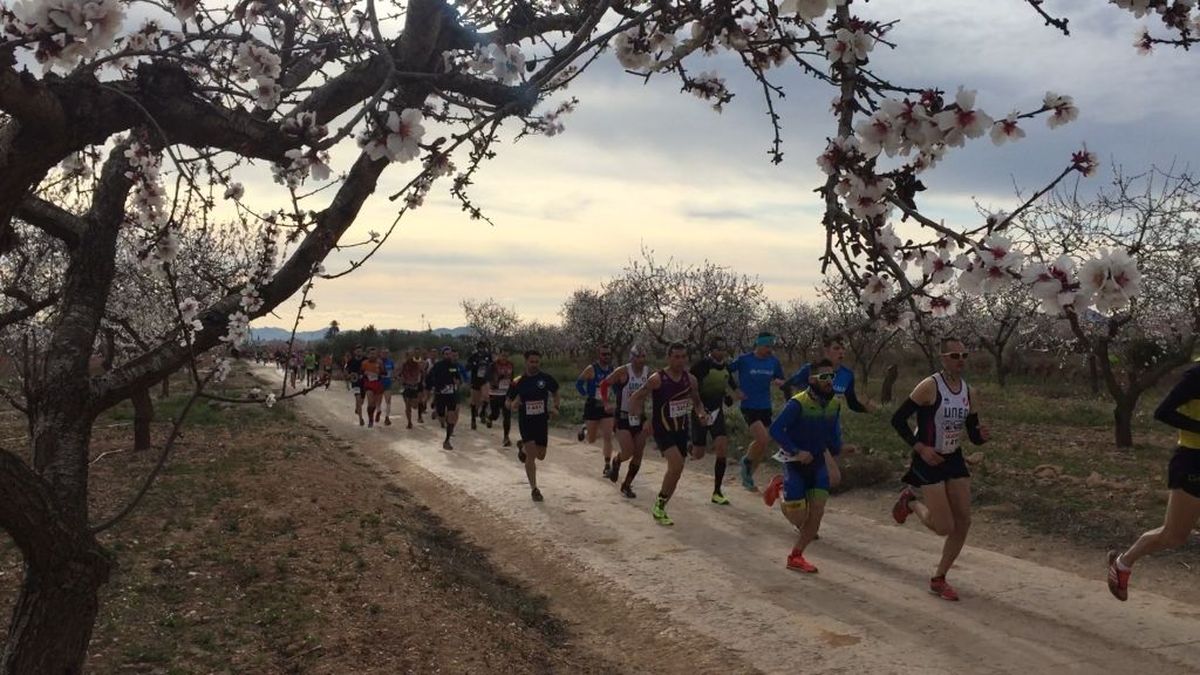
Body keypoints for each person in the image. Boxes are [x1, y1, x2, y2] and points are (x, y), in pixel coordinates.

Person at [890, 337, 989, 601]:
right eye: (955, 356)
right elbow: (898, 419)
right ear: (943, 358)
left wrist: (981, 435)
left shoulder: (969, 392)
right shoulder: (929, 386)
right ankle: (910, 502)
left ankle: (939, 577)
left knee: (964, 521)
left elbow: (973, 433)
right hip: (928, 459)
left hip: (953, 457)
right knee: (944, 526)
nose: (961, 361)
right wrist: (921, 447)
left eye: (964, 355)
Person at [1107, 361, 1200, 601]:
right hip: (1193, 462)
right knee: (1175, 535)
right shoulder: (1196, 375)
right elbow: (1163, 412)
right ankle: (1123, 563)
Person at [762, 359, 843, 573]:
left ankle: (795, 556)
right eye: (824, 377)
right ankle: (779, 488)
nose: (829, 381)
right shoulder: (798, 403)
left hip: (818, 464)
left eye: (832, 376)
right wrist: (797, 451)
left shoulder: (835, 404)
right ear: (811, 379)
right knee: (799, 518)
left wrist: (840, 447)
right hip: (795, 463)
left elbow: (834, 433)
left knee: (816, 516)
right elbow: (776, 430)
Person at [629, 342, 709, 526]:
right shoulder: (657, 379)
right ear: (668, 358)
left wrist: (701, 414)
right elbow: (636, 398)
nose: (680, 361)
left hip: (681, 429)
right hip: (662, 429)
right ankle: (659, 506)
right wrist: (643, 420)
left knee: (677, 470)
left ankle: (661, 504)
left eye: (683, 357)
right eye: (676, 357)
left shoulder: (691, 380)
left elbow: (697, 403)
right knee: (677, 463)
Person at [783, 334, 877, 491]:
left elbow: (852, 402)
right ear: (826, 351)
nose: (841, 352)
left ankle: (789, 486)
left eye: (843, 349)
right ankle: (793, 490)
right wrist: (794, 411)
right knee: (833, 478)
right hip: (810, 430)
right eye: (836, 348)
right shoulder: (810, 370)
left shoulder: (847, 375)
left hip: (832, 431)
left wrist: (865, 408)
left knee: (818, 473)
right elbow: (787, 385)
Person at [729, 332, 786, 491]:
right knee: (762, 439)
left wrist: (780, 382)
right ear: (758, 345)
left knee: (763, 444)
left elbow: (780, 379)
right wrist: (736, 390)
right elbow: (726, 372)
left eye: (771, 346)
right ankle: (746, 461)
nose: (770, 349)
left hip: (765, 406)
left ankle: (748, 477)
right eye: (767, 346)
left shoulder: (774, 362)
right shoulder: (744, 360)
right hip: (749, 405)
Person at [507, 350, 560, 502]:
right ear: (526, 362)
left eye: (537, 362)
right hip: (526, 422)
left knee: (541, 455)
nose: (535, 364)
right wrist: (514, 405)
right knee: (531, 456)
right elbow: (508, 403)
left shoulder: (545, 378)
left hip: (542, 422)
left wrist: (556, 407)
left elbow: (556, 392)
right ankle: (534, 489)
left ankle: (522, 447)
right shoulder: (518, 381)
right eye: (532, 361)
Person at [601, 346, 652, 498]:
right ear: (631, 357)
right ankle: (616, 461)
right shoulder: (623, 371)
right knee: (628, 451)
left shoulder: (648, 373)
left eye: (643, 357)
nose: (641, 360)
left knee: (639, 453)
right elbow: (604, 384)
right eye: (638, 357)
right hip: (623, 417)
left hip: (639, 417)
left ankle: (627, 485)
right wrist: (606, 403)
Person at [690, 337, 737, 505]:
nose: (722, 352)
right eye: (719, 349)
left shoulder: (725, 367)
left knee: (722, 447)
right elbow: (690, 385)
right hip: (700, 412)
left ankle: (717, 491)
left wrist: (727, 397)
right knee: (698, 454)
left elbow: (728, 384)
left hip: (717, 413)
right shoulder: (701, 366)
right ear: (711, 350)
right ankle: (690, 446)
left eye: (724, 349)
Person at [576, 346, 616, 476]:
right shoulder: (591, 369)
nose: (606, 357)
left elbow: (615, 386)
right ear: (599, 355)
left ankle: (607, 465)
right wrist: (586, 393)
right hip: (593, 405)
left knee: (608, 436)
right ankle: (585, 429)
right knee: (591, 439)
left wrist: (616, 397)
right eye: (604, 354)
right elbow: (579, 383)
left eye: (609, 354)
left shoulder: (612, 370)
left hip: (606, 405)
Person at [427, 347, 462, 449]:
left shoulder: (454, 366)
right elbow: (430, 377)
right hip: (440, 394)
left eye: (449, 354)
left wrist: (458, 382)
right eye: (446, 354)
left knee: (451, 415)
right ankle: (437, 412)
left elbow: (458, 378)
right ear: (443, 355)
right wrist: (434, 386)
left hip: (451, 394)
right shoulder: (438, 366)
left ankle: (447, 441)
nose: (448, 355)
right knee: (442, 415)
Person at [489, 348, 516, 447]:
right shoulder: (493, 365)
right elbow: (487, 377)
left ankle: (506, 437)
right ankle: (490, 418)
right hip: (495, 393)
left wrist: (513, 389)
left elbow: (512, 377)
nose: (505, 358)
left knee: (507, 416)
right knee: (495, 415)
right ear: (499, 355)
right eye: (503, 355)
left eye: (507, 356)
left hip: (506, 394)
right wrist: (496, 380)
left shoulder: (510, 365)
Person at [467, 341, 494, 430]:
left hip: (484, 380)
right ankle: (473, 420)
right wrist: (475, 366)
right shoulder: (473, 356)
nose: (481, 349)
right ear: (477, 348)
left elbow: (491, 365)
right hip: (475, 380)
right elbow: (468, 367)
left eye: (483, 347)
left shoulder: (487, 355)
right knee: (475, 401)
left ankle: (483, 412)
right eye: (480, 347)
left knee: (486, 397)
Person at [399, 350, 425, 429]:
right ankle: (409, 422)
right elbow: (398, 373)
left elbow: (422, 371)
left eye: (410, 356)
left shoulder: (417, 363)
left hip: (415, 387)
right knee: (407, 406)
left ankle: (414, 406)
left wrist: (421, 380)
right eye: (407, 356)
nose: (409, 358)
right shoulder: (403, 365)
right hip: (406, 387)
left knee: (414, 406)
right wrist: (400, 379)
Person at [361, 347, 384, 428]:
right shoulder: (364, 363)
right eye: (371, 354)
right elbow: (361, 372)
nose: (372, 355)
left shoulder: (379, 363)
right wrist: (365, 373)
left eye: (374, 354)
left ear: (376, 355)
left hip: (377, 384)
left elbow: (384, 372)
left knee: (374, 404)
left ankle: (373, 416)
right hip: (368, 384)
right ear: (368, 355)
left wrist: (379, 372)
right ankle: (370, 419)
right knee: (370, 402)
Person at [346, 346, 366, 425]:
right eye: (357, 351)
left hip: (364, 383)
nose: (358, 353)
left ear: (362, 352)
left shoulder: (365, 360)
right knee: (358, 399)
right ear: (355, 352)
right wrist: (348, 375)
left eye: (360, 351)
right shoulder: (351, 361)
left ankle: (357, 407)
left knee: (361, 401)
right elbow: (346, 369)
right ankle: (361, 419)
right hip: (355, 383)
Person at [379, 347, 396, 426]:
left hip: (388, 383)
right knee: (378, 401)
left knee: (388, 401)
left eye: (386, 353)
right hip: (379, 384)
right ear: (380, 354)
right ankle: (378, 411)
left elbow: (393, 371)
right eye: (383, 353)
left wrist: (394, 377)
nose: (385, 355)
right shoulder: (378, 362)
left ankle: (387, 417)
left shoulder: (391, 362)